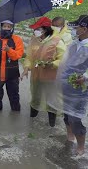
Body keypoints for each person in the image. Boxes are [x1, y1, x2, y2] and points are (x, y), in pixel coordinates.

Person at [49, 15, 88, 155]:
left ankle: (81, 146)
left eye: (77, 27)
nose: (74, 29)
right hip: (67, 85)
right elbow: (66, 63)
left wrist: (85, 77)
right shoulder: (74, 43)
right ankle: (70, 137)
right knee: (66, 114)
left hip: (80, 89)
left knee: (75, 118)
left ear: (84, 29)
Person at [20, 17, 66, 127]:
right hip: (36, 76)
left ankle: (51, 126)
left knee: (52, 101)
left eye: (37, 29)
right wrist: (26, 68)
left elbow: (63, 60)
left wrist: (52, 64)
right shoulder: (34, 40)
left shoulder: (57, 41)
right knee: (35, 98)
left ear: (44, 29)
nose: (34, 31)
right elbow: (29, 58)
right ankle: (31, 124)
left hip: (51, 77)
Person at [0, 20, 24, 111]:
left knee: (14, 95)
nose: (6, 28)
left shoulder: (17, 40)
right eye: (4, 26)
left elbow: (18, 55)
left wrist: (9, 50)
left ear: (12, 28)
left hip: (12, 75)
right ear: (1, 27)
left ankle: (15, 110)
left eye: (9, 27)